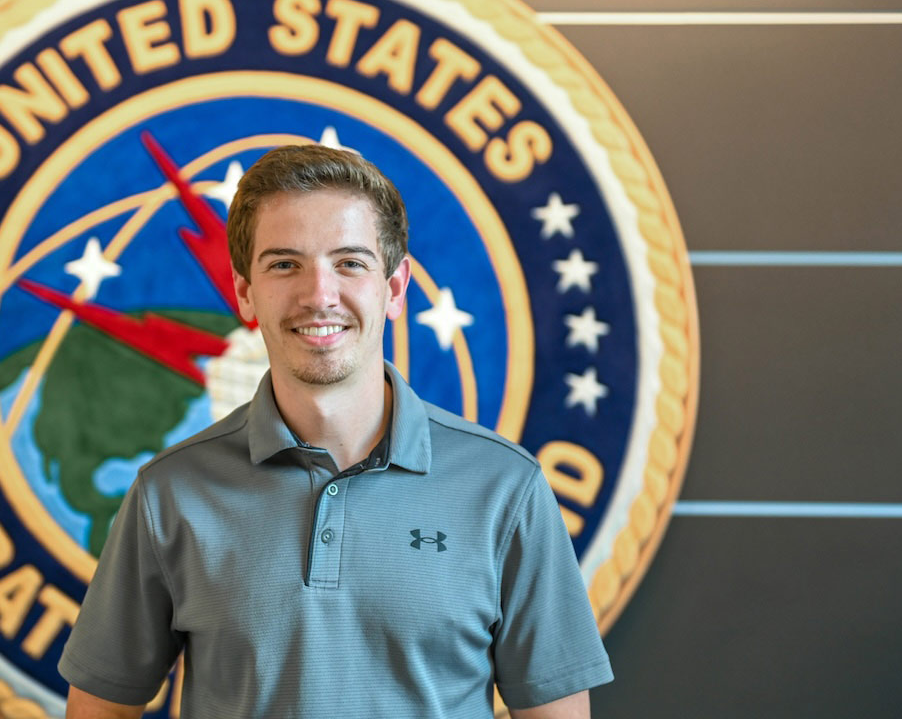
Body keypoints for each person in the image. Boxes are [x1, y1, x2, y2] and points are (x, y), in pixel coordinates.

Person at [59, 145, 613, 718]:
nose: (318, 294)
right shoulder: (169, 493)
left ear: (394, 289)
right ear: (245, 292)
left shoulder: (505, 488)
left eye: (349, 263)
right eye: (283, 264)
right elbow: (98, 709)